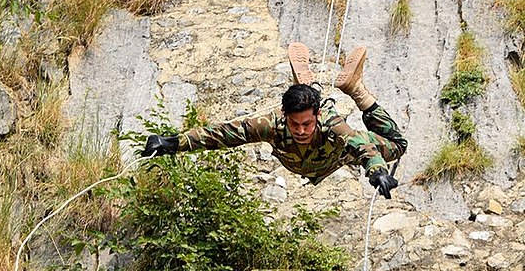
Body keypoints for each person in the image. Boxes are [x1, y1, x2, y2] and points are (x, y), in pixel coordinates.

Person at [141, 44, 408, 199]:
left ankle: (356, 89)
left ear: (317, 116)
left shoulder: (332, 125)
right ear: (284, 115)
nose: (301, 131)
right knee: (287, 116)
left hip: (335, 158)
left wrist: (378, 173)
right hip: (305, 164)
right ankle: (306, 86)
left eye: (307, 124)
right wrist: (174, 143)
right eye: (295, 124)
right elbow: (223, 134)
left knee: (398, 144)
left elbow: (364, 147)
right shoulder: (272, 124)